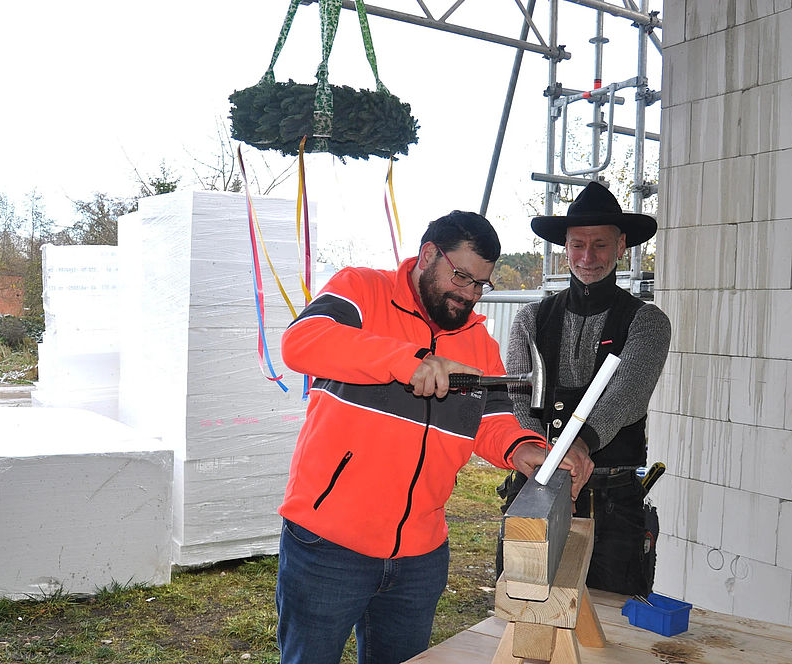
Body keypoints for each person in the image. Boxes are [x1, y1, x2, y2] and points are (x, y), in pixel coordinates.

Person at [275, 210, 594, 664]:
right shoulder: (363, 290)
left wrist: (523, 448)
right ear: (428, 255)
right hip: (327, 545)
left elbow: (493, 418)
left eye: (480, 284)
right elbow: (301, 342)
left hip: (419, 557)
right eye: (461, 277)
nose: (469, 295)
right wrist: (407, 361)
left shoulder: (478, 342)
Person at [498, 181, 671, 596]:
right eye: (577, 245)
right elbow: (517, 396)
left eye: (600, 245)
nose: (587, 257)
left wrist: (579, 445)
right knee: (522, 605)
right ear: (565, 247)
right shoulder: (529, 319)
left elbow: (626, 396)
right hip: (535, 489)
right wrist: (546, 456)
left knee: (608, 622)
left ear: (621, 246)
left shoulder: (647, 322)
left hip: (611, 504)